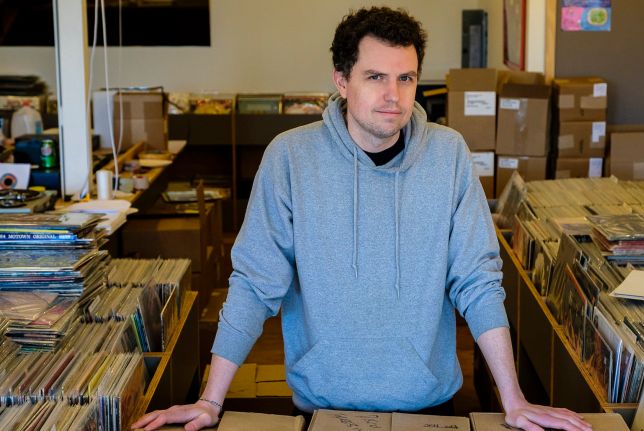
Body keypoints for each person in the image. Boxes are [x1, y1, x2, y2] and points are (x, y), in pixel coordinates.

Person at [133, 7, 591, 431]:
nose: (394, 96)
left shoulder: (448, 154)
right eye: (375, 76)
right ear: (341, 81)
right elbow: (256, 282)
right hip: (322, 406)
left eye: (406, 78)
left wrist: (514, 399)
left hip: (427, 405)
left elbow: (477, 279)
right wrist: (211, 401)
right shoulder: (291, 159)